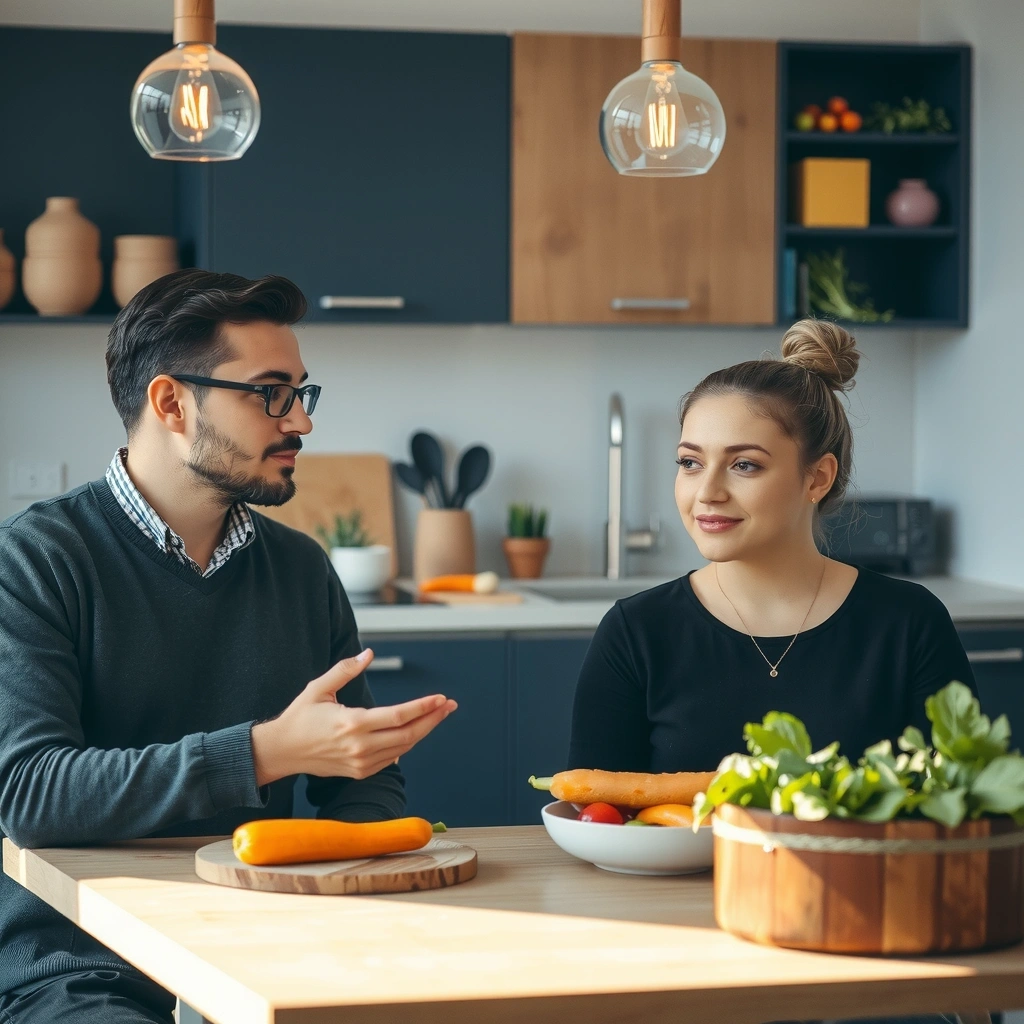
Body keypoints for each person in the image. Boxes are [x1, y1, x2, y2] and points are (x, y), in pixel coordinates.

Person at [0, 270, 457, 1024]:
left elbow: (363, 789)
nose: (300, 423)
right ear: (171, 403)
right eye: (269, 393)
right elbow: (31, 794)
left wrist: (345, 893)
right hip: (81, 969)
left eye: (302, 394)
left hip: (266, 953)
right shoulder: (37, 560)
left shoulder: (301, 569)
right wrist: (263, 752)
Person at [569, 318, 976, 777]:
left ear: (817, 477)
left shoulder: (911, 623)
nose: (707, 491)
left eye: (744, 465)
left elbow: (962, 810)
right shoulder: (634, 632)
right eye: (690, 462)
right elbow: (596, 815)